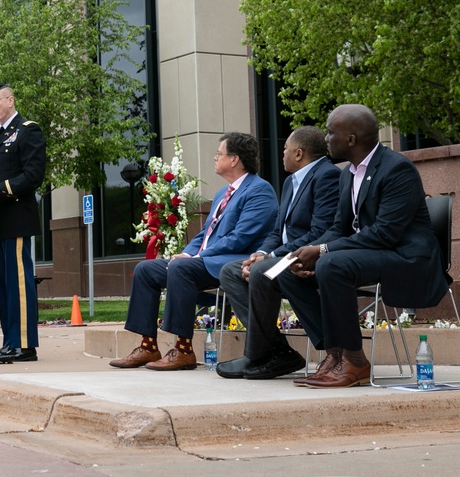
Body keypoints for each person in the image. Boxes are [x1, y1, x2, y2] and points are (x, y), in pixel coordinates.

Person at [280, 104, 450, 388]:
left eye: (330, 133)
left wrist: (323, 251)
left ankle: (355, 361)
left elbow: (385, 233)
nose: (325, 139)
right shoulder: (347, 173)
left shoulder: (397, 169)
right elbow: (338, 227)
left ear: (351, 139)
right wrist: (304, 253)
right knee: (290, 270)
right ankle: (335, 354)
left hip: (407, 257)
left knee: (332, 264)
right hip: (372, 254)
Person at [110, 132, 277, 371]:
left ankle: (183, 350)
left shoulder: (260, 190)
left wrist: (198, 257)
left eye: (219, 153)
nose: (214, 157)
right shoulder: (223, 193)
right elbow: (205, 233)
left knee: (181, 268)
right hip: (203, 260)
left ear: (234, 159)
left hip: (234, 262)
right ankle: (148, 346)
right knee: (146, 269)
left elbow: (241, 238)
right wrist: (189, 253)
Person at [216, 126, 340, 379]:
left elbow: (319, 231)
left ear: (298, 153)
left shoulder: (327, 176)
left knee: (262, 271)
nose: (281, 154)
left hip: (311, 255)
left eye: (285, 149)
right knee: (231, 271)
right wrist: (262, 251)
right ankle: (278, 352)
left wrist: (271, 258)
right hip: (284, 256)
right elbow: (278, 231)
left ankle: (256, 354)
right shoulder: (291, 182)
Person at [0, 83, 46, 362]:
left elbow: (33, 175)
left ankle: (24, 345)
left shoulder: (28, 130)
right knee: (4, 286)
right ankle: (9, 342)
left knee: (18, 283)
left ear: (10, 100)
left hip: (17, 217)